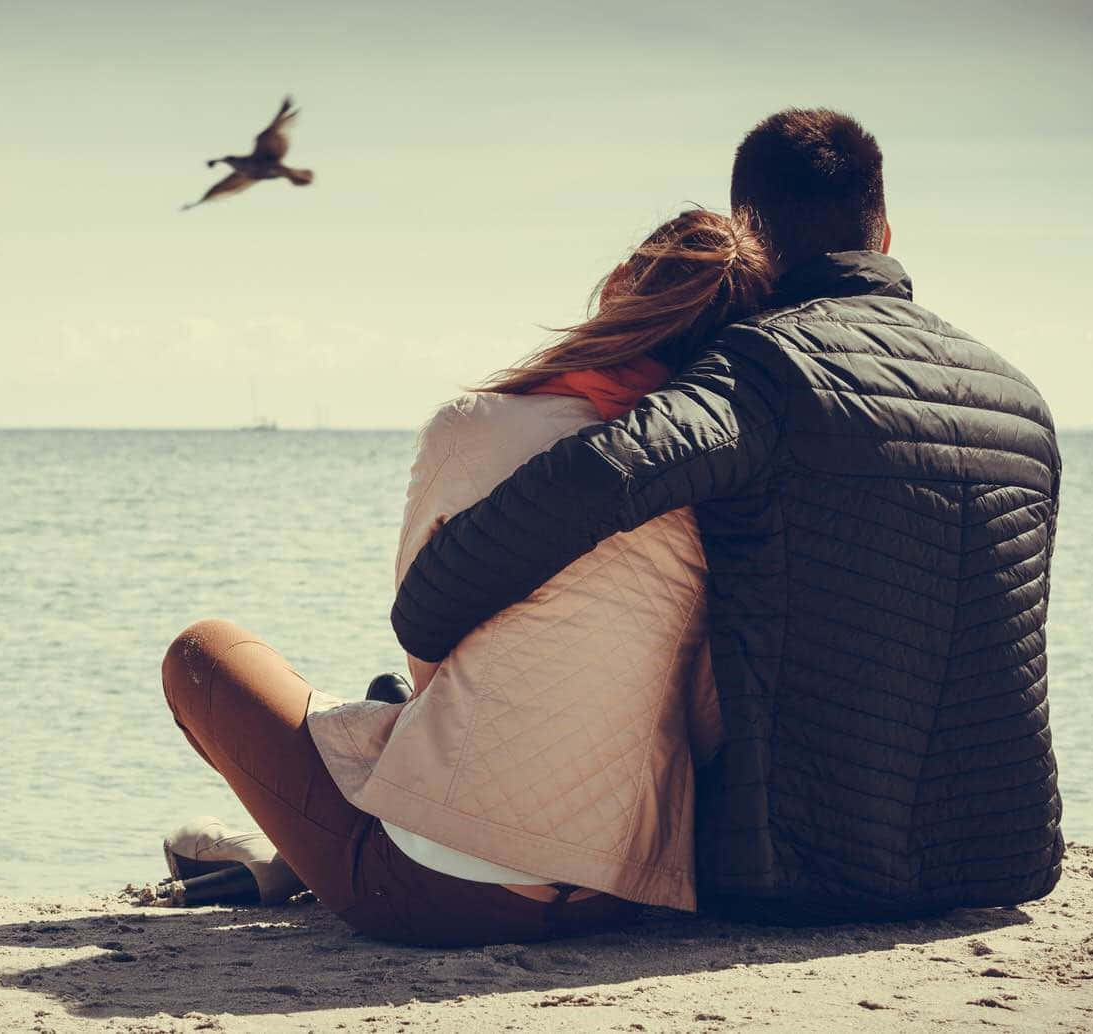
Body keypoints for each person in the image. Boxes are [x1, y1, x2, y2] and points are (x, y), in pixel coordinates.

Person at [391, 109, 1065, 924]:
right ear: (884, 232)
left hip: (804, 874)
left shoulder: (766, 368)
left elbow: (605, 472)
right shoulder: (1023, 401)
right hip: (1005, 859)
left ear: (752, 245)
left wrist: (429, 610)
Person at [161, 209, 775, 946]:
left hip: (434, 891)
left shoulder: (475, 428)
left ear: (618, 286)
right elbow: (704, 709)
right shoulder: (722, 480)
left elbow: (430, 657)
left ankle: (279, 856)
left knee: (204, 655)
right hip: (624, 889)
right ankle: (287, 854)